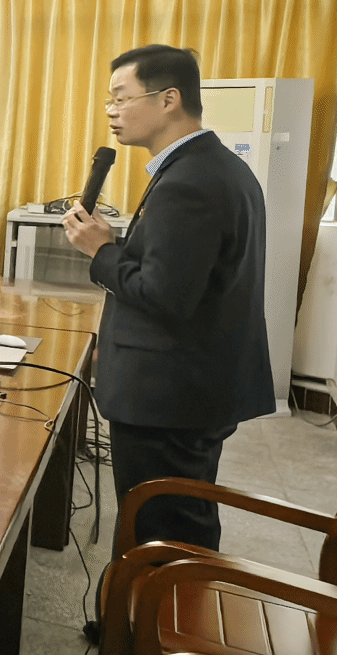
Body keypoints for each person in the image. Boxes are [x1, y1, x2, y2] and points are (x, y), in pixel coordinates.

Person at [62, 44, 273, 552]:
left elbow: (163, 296)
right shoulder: (211, 166)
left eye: (121, 97)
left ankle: (155, 605)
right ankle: (146, 599)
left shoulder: (189, 182)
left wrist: (101, 250)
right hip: (193, 385)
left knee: (163, 532)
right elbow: (179, 277)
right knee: (171, 518)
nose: (111, 111)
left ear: (168, 100)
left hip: (170, 397)